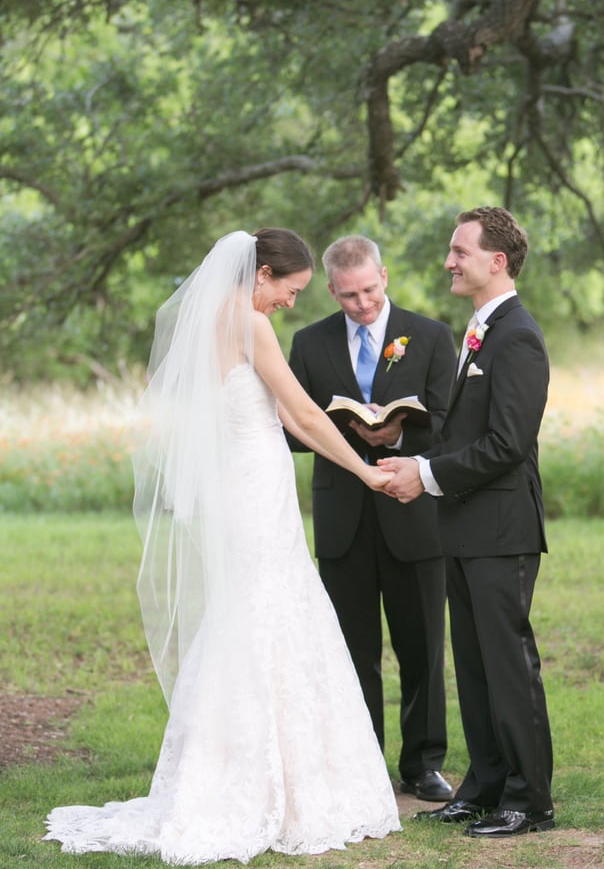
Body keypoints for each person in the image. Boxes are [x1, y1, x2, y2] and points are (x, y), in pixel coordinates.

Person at [44, 228, 401, 865]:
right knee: (268, 614)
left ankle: (239, 768)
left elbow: (289, 417)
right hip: (254, 488)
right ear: (261, 273)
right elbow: (308, 416)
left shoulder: (212, 319)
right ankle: (265, 784)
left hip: (241, 487)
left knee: (247, 615)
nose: (292, 304)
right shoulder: (249, 323)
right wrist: (368, 471)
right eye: (289, 290)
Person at [380, 207, 555, 837]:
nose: (449, 261)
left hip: (502, 530)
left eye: (460, 251)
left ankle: (530, 799)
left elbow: (507, 444)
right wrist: (421, 460)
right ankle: (483, 786)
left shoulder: (517, 335)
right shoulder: (481, 330)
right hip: (466, 527)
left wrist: (425, 477)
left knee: (508, 665)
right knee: (475, 664)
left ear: (496, 261)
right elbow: (467, 433)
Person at [288, 235, 457, 803]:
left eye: (370, 291)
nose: (362, 305)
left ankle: (424, 763)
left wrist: (399, 433)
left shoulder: (431, 335)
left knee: (422, 646)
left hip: (414, 512)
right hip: (343, 517)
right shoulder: (308, 344)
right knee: (350, 648)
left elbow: (451, 422)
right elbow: (290, 428)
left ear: (383, 276)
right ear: (331, 290)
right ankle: (358, 766)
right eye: (349, 296)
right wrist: (342, 430)